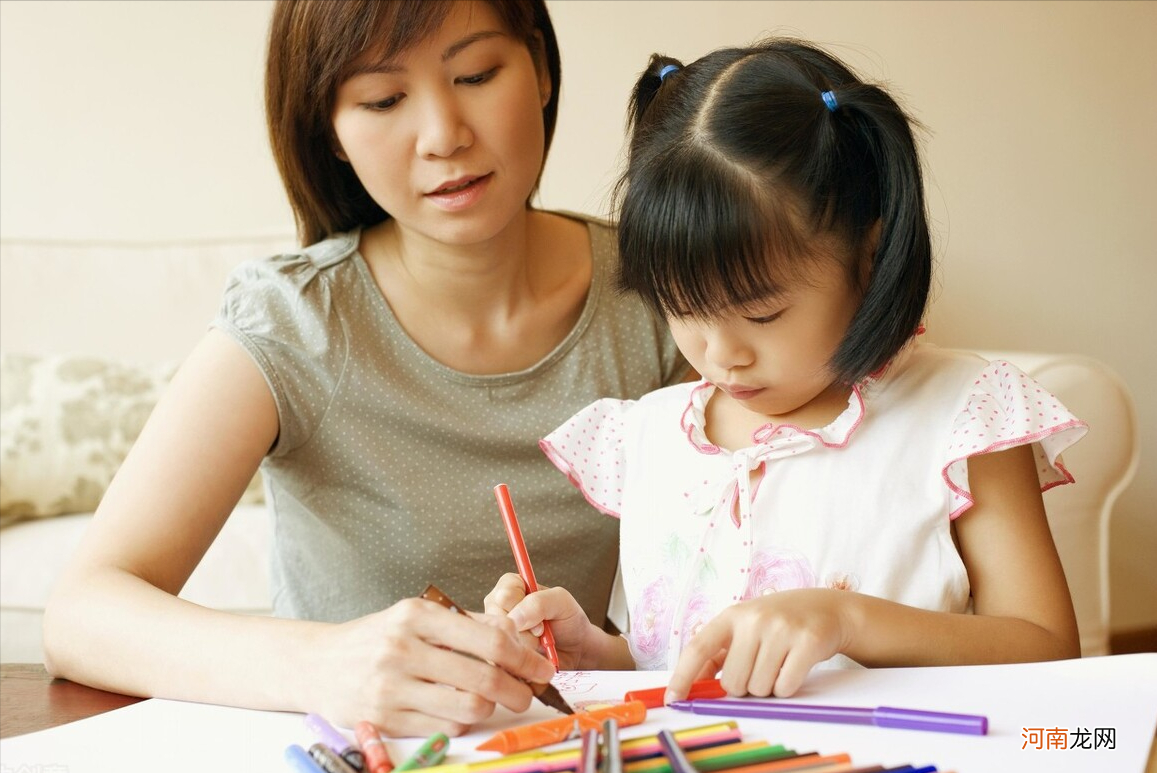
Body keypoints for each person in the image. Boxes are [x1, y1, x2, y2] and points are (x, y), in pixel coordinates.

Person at [42, 0, 688, 736]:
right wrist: (322, 663)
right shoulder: (295, 320)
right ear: (331, 132)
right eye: (383, 99)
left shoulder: (660, 294)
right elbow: (81, 612)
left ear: (539, 68)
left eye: (475, 73)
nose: (444, 135)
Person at [487, 37, 1086, 704]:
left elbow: (1047, 651)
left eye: (762, 314)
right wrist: (593, 652)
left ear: (870, 250)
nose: (720, 354)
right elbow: (673, 668)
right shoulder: (649, 436)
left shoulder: (961, 419)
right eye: (683, 309)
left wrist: (846, 619)